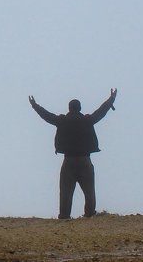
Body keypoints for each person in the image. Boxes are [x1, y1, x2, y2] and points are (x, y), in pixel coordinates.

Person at [28, 88, 117, 219]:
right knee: (89, 192)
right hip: (85, 160)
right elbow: (101, 112)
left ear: (69, 108)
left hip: (68, 161)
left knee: (65, 192)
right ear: (80, 108)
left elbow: (46, 115)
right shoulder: (87, 120)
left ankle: (64, 216)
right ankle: (90, 215)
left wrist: (35, 105)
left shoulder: (62, 121)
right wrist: (111, 99)